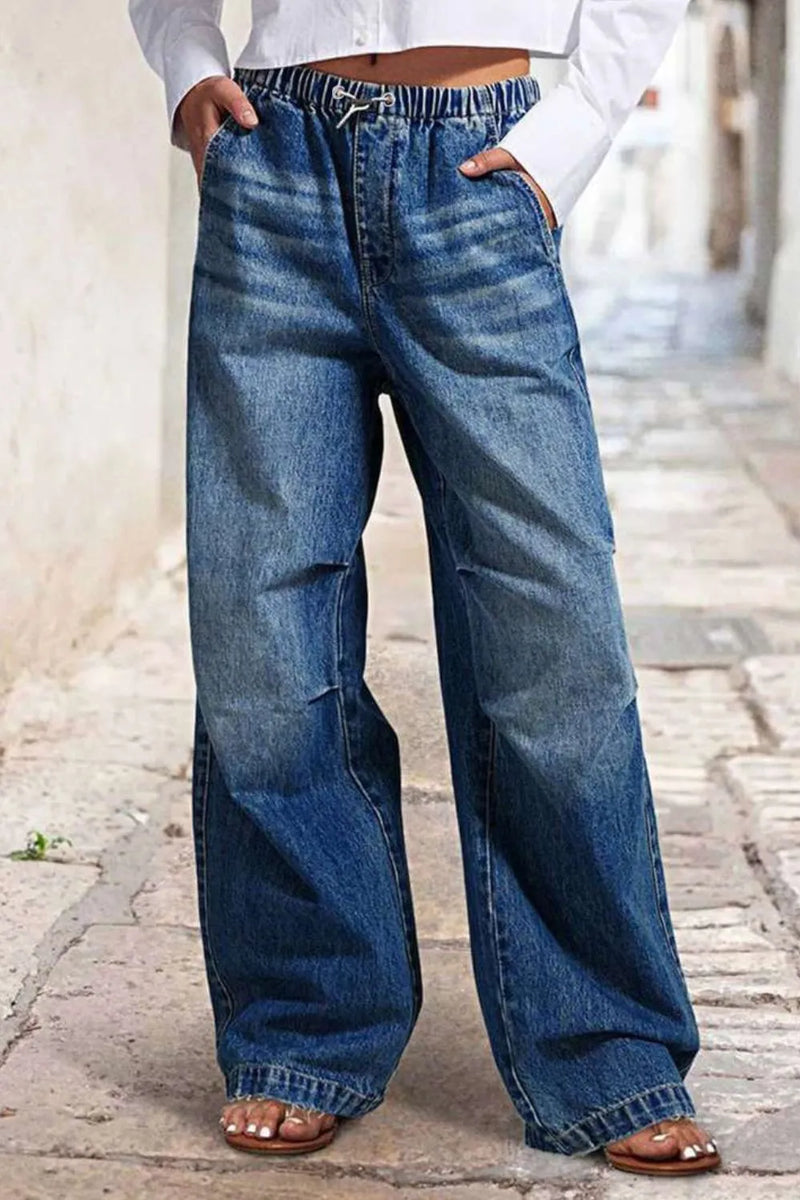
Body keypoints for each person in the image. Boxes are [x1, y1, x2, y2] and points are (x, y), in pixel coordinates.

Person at [128, 0, 721, 1177]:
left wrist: (571, 128)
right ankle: (304, 1028)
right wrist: (187, 65)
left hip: (475, 167)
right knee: (263, 634)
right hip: (272, 162)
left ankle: (604, 1048)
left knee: (549, 630)